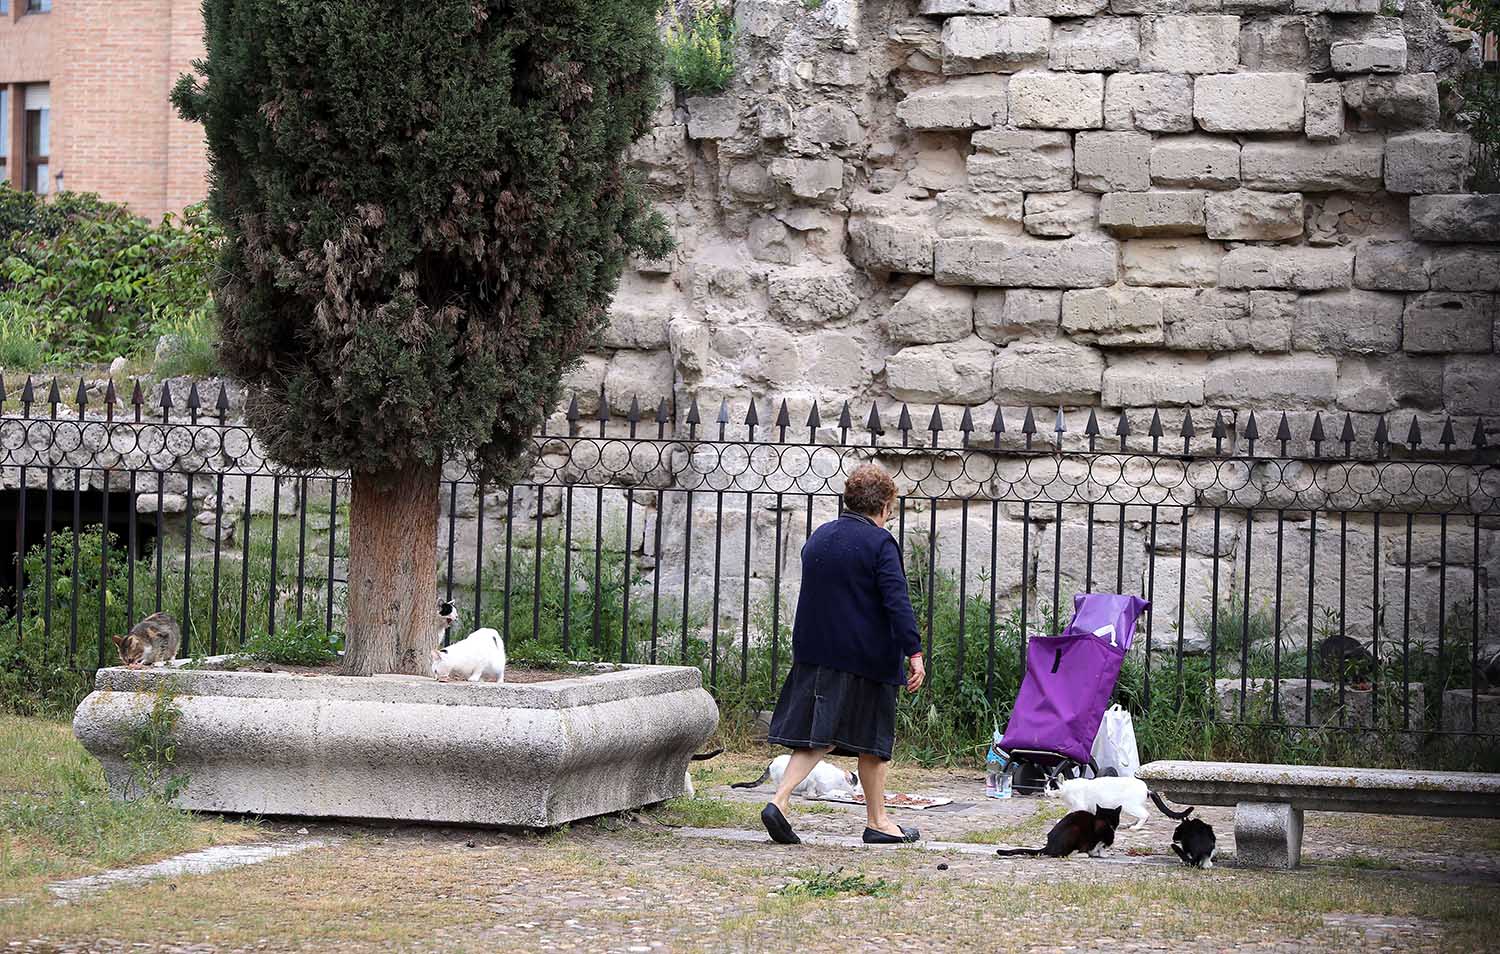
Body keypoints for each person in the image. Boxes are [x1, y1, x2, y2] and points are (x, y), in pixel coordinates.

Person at [759, 462, 925, 846]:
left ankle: (779, 801)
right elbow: (897, 602)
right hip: (866, 658)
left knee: (820, 736)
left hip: (816, 652)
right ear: (884, 505)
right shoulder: (880, 543)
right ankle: (878, 821)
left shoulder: (820, 537)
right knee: (874, 743)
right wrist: (913, 651)